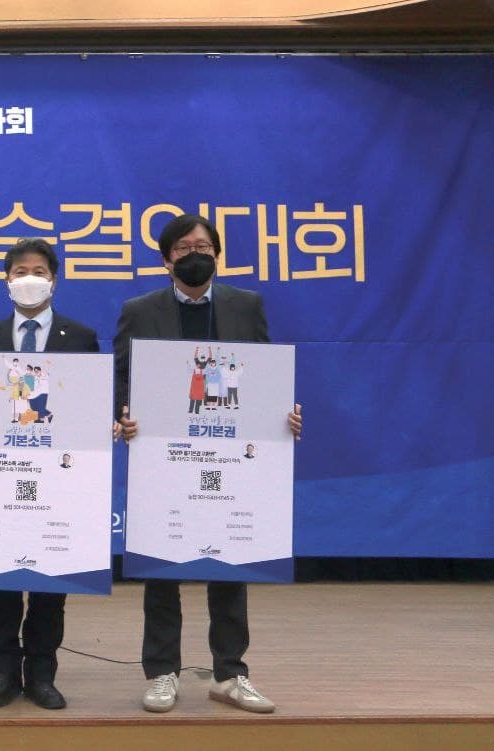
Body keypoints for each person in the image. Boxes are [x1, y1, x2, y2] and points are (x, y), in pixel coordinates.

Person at [113, 213, 302, 715]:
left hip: (229, 456)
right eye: (182, 248)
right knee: (161, 564)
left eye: (202, 246)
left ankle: (230, 674)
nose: (193, 255)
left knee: (229, 558)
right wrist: (123, 415)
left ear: (217, 254)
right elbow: (122, 379)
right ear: (166, 260)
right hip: (165, 459)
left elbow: (262, 376)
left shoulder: (246, 305)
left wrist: (283, 416)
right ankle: (162, 672)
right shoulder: (139, 310)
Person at [0, 238, 99, 710]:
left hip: (58, 479)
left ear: (54, 280)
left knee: (49, 583)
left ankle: (41, 673)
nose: (29, 279)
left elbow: (89, 406)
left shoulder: (80, 338)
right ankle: (2, 671)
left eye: (39, 272)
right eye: (20, 271)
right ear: (6, 280)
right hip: (1, 477)